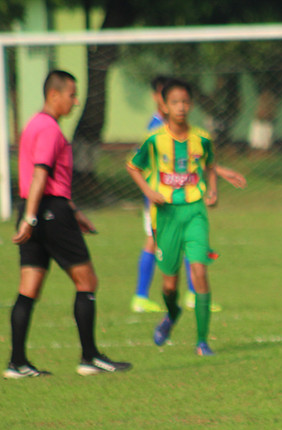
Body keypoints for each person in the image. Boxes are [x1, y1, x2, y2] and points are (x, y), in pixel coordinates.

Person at [5, 70, 132, 379]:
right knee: (87, 281)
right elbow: (41, 174)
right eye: (71, 95)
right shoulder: (49, 129)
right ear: (54, 95)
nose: (75, 102)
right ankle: (89, 357)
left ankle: (17, 363)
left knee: (28, 288)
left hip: (38, 207)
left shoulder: (32, 125)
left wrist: (67, 211)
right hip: (47, 211)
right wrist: (34, 217)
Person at [130, 74, 245, 314]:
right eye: (170, 98)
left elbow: (189, 160)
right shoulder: (157, 128)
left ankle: (189, 292)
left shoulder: (183, 130)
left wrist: (219, 172)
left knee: (183, 239)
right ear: (158, 99)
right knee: (157, 241)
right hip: (162, 199)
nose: (178, 104)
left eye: (182, 99)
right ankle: (142, 296)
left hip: (178, 197)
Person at [126, 78, 220, 357]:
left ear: (190, 105)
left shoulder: (202, 137)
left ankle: (202, 341)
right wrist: (149, 191)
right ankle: (172, 312)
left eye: (185, 102)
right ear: (164, 106)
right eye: (175, 102)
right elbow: (133, 167)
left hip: (194, 212)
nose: (181, 107)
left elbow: (211, 164)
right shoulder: (154, 139)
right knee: (169, 285)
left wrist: (212, 190)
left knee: (200, 270)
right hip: (165, 215)